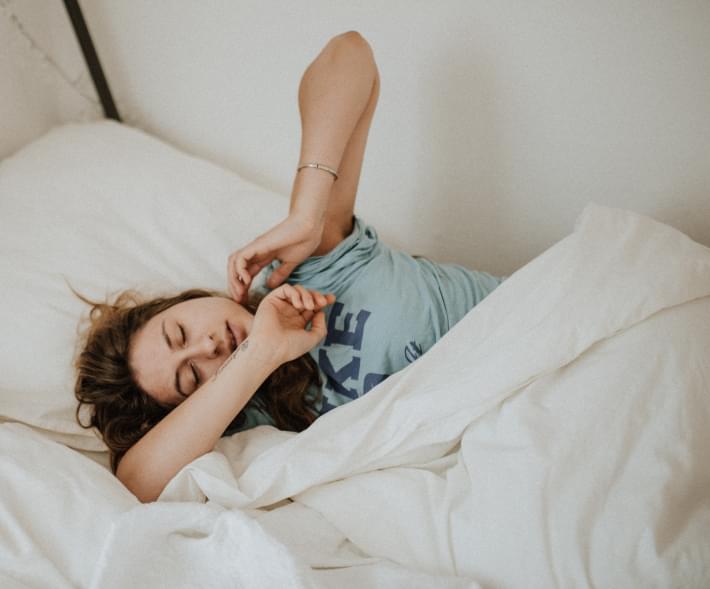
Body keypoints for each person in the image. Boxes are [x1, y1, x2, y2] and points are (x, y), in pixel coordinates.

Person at [74, 31, 504, 503]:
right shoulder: (258, 423)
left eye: (180, 333)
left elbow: (351, 55)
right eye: (192, 376)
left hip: (532, 333)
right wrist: (259, 354)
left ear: (188, 301)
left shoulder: (310, 267)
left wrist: (307, 212)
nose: (208, 345)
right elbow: (137, 483)